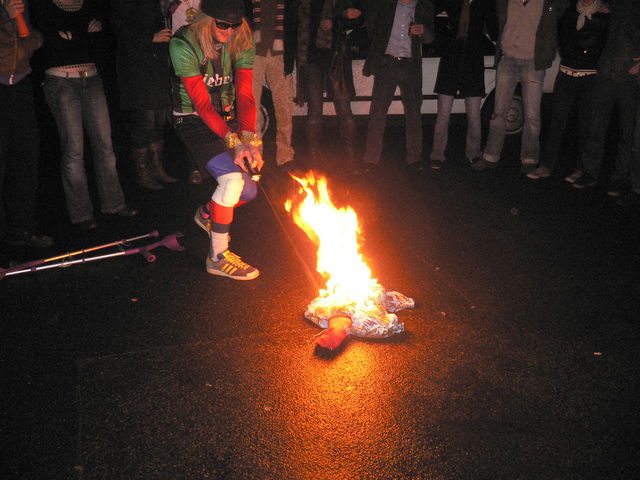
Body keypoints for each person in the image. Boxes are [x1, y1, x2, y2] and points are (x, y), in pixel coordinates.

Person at [169, 0, 264, 280]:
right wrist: (234, 142)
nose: (229, 30)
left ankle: (208, 213)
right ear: (206, 19)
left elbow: (245, 95)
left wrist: (248, 138)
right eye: (223, 24)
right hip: (192, 119)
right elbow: (201, 105)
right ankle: (218, 257)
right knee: (232, 182)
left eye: (236, 25)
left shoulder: (242, 39)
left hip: (226, 117)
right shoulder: (182, 44)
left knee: (248, 191)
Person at [30, 0, 138, 231]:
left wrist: (72, 35)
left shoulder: (88, 5)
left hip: (92, 77)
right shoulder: (43, 6)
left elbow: (102, 41)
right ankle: (81, 214)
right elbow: (49, 43)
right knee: (74, 150)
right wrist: (82, 33)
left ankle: (114, 203)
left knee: (105, 146)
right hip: (61, 81)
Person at [472, 0, 568, 174]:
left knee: (532, 115)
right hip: (508, 58)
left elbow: (563, 15)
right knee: (498, 112)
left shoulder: (547, 2)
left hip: (533, 61)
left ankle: (529, 158)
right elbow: (495, 24)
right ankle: (490, 156)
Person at [526, 0, 609, 182]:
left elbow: (601, 44)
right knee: (556, 121)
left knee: (584, 124)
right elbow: (563, 37)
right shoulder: (570, 12)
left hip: (589, 76)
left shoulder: (604, 15)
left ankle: (580, 168)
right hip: (566, 73)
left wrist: (583, 49)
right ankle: (546, 165)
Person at [571, 0, 640, 195]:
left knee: (627, 133)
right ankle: (590, 172)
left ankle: (620, 178)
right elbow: (591, 6)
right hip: (605, 73)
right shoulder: (617, 3)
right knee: (596, 127)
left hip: (630, 77)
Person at [0, 0, 53, 248]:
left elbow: (35, 39)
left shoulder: (21, 3)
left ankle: (22, 230)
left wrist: (23, 33)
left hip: (20, 87)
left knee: (25, 162)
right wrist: (5, 17)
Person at [111, 0, 178, 191]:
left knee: (158, 121)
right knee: (144, 123)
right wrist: (150, 37)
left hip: (157, 67)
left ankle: (157, 168)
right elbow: (119, 29)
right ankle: (142, 172)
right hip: (137, 70)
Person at [362, 0, 435, 172]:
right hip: (387, 62)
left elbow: (431, 38)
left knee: (414, 111)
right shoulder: (386, 4)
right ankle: (371, 159)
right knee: (378, 111)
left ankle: (414, 158)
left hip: (411, 64)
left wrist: (424, 31)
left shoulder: (424, 5)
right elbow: (372, 27)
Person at [429, 0, 498, 170]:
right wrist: (443, 35)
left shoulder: (485, 4)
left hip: (473, 61)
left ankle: (474, 153)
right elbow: (431, 12)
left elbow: (495, 31)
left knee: (474, 114)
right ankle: (437, 154)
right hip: (451, 58)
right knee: (443, 113)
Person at [299, 0, 365, 174]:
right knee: (314, 110)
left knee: (344, 108)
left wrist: (338, 19)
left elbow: (358, 18)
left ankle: (351, 160)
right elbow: (297, 26)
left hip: (336, 57)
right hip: (311, 59)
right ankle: (314, 161)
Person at [249, 0, 297, 168]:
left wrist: (290, 60)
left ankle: (285, 155)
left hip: (280, 54)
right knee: (251, 109)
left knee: (284, 106)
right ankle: (254, 156)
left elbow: (293, 26)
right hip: (252, 53)